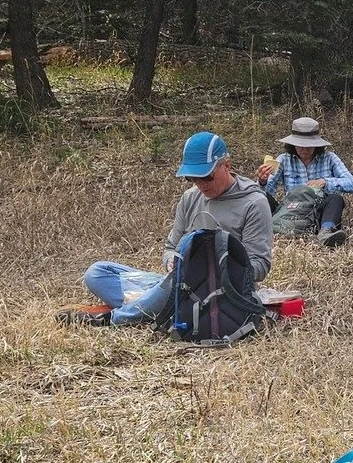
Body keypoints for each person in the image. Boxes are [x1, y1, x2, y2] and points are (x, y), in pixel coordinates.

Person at [75, 132, 275, 327]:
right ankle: (154, 305)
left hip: (222, 290)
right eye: (192, 178)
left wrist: (215, 267)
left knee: (178, 281)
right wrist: (171, 261)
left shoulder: (254, 202)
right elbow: (171, 247)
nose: (200, 185)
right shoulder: (190, 198)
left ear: (227, 166)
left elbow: (259, 266)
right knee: (97, 272)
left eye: (206, 177)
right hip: (178, 283)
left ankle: (117, 317)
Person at [256, 116, 353, 246]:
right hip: (290, 209)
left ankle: (326, 231)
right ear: (293, 144)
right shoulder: (283, 159)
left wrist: (326, 182)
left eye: (310, 145)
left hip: (319, 211)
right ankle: (263, 228)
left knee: (336, 198)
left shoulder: (329, 158)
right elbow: (268, 190)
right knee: (261, 197)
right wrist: (262, 181)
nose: (305, 149)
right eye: (300, 146)